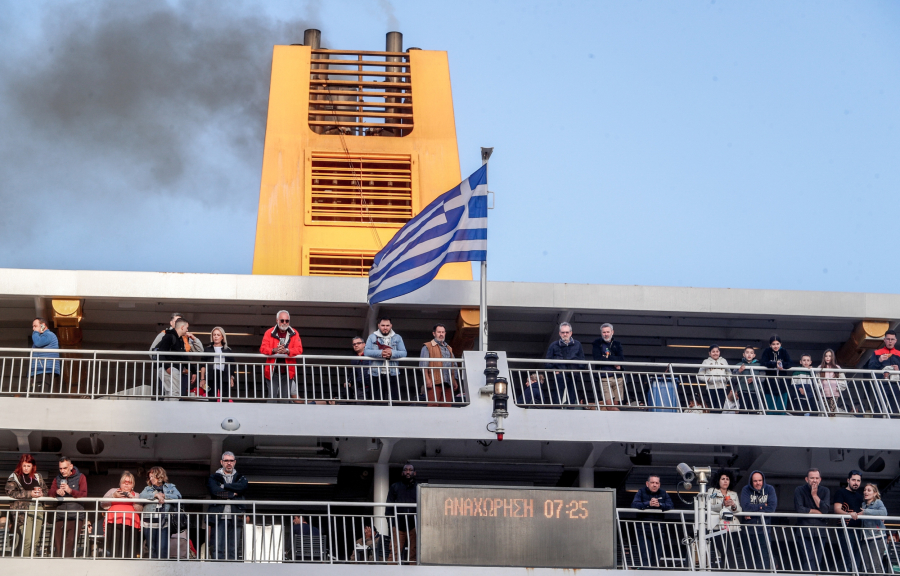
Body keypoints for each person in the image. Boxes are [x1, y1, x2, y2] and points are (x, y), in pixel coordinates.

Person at [5, 454, 48, 557]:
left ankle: (32, 564)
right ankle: (24, 563)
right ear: (21, 465)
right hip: (23, 511)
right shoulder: (14, 476)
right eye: (24, 465)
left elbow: (46, 490)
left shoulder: (38, 476)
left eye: (28, 466)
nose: (26, 468)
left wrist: (42, 493)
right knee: (27, 540)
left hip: (38, 509)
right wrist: (30, 494)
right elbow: (10, 492)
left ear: (32, 466)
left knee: (35, 540)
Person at [208, 451, 248, 560]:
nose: (229, 463)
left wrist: (224, 486)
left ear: (234, 462)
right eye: (226, 461)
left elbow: (242, 487)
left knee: (234, 547)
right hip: (219, 516)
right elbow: (215, 491)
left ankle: (233, 570)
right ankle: (217, 569)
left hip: (236, 515)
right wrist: (232, 493)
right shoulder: (214, 477)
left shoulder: (240, 477)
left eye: (231, 460)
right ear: (221, 462)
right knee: (217, 546)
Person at [630, 474, 674, 568]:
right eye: (652, 482)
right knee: (645, 557)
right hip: (643, 529)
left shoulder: (663, 493)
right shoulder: (641, 492)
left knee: (656, 558)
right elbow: (634, 504)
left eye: (657, 483)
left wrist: (660, 505)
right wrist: (648, 504)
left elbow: (671, 505)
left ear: (659, 484)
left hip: (659, 530)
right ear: (647, 483)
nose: (654, 485)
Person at [260, 310, 303, 403]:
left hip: (288, 371)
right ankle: (271, 417)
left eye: (287, 321)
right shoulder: (269, 332)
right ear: (277, 320)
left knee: (285, 399)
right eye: (282, 320)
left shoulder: (294, 333)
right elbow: (263, 348)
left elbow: (299, 349)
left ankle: (284, 417)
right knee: (272, 398)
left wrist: (287, 351)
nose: (284, 323)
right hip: (272, 371)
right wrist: (274, 350)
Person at [139, 466, 182, 559]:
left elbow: (178, 496)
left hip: (164, 522)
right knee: (151, 548)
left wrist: (164, 496)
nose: (151, 479)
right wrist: (155, 495)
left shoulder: (171, 487)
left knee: (163, 548)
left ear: (159, 476)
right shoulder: (148, 488)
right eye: (150, 477)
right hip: (149, 522)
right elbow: (141, 496)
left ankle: (162, 570)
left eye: (153, 476)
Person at [49, 456, 88, 557]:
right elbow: (50, 492)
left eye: (65, 468)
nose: (62, 471)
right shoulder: (57, 478)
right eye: (60, 468)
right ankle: (57, 567)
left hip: (76, 516)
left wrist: (70, 491)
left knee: (70, 542)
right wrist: (57, 492)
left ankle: (67, 566)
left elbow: (84, 494)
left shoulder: (81, 477)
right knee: (58, 544)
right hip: (60, 515)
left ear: (71, 466)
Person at [794, 468, 831, 572]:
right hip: (804, 531)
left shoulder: (825, 491)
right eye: (812, 478)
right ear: (806, 479)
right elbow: (799, 509)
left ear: (820, 479)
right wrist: (817, 512)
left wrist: (814, 495)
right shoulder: (799, 490)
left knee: (817, 560)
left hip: (820, 531)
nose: (814, 480)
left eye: (816, 478)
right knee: (808, 559)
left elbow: (825, 509)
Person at [739, 470, 777, 570]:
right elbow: (746, 507)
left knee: (764, 559)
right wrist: (762, 506)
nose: (758, 483)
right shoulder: (746, 489)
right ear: (751, 481)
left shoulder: (770, 489)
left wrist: (753, 510)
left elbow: (772, 508)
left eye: (760, 480)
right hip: (748, 531)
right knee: (748, 559)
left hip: (764, 530)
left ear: (763, 480)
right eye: (755, 481)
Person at [364, 317, 408, 403]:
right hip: (375, 373)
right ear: (378, 326)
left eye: (387, 325)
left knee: (394, 399)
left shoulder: (397, 337)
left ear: (391, 326)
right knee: (376, 400)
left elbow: (404, 353)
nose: (385, 328)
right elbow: (366, 352)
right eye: (383, 325)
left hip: (393, 373)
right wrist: (381, 353)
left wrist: (392, 353)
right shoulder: (372, 337)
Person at [101, 471, 143, 558]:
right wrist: (113, 496)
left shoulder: (136, 494)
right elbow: (102, 503)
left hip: (131, 523)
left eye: (129, 482)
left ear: (133, 485)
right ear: (120, 483)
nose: (126, 484)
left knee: (129, 549)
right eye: (124, 482)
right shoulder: (113, 491)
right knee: (114, 548)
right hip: (113, 522)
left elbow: (140, 510)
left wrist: (133, 499)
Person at [154, 318, 200, 398]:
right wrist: (168, 367)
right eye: (186, 328)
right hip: (170, 369)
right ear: (182, 327)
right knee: (174, 393)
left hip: (172, 369)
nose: (187, 330)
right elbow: (160, 353)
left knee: (171, 393)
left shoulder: (179, 339)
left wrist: (194, 370)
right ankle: (172, 410)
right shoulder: (169, 337)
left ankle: (169, 409)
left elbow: (183, 357)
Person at [707, 469, 741, 569]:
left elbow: (738, 509)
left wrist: (733, 505)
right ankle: (726, 570)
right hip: (718, 526)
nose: (725, 481)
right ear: (718, 480)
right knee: (724, 551)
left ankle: (728, 570)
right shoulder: (712, 491)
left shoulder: (733, 494)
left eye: (727, 479)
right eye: (723, 479)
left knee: (731, 552)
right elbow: (708, 506)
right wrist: (722, 504)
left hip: (732, 528)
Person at [545, 322, 586, 406]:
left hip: (573, 374)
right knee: (557, 398)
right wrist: (554, 370)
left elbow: (582, 360)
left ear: (571, 333)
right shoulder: (553, 345)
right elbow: (547, 362)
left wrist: (577, 370)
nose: (565, 334)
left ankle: (571, 413)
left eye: (567, 332)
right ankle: (557, 413)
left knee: (572, 397)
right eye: (563, 332)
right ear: (559, 333)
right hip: (559, 375)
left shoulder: (577, 344)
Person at [419, 324, 460, 406]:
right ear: (434, 333)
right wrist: (427, 380)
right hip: (434, 382)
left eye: (443, 332)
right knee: (433, 406)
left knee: (447, 407)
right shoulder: (427, 346)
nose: (441, 334)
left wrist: (454, 379)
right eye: (439, 332)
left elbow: (454, 365)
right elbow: (423, 365)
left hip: (448, 383)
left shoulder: (449, 348)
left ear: (445, 333)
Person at [834, 470, 865, 573]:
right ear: (848, 480)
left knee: (856, 557)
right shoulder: (841, 492)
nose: (856, 483)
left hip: (858, 529)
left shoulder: (860, 496)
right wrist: (849, 514)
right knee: (847, 555)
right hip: (845, 528)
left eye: (858, 480)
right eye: (853, 480)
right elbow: (837, 509)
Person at [386, 463, 418, 563]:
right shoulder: (395, 487)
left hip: (414, 526)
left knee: (414, 553)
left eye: (410, 470)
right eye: (406, 470)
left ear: (414, 473)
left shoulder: (419, 488)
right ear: (402, 473)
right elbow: (389, 506)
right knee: (394, 553)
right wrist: (392, 525)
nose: (408, 472)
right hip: (398, 525)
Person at [591, 323, 624, 410]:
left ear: (612, 332)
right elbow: (597, 358)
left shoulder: (617, 343)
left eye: (608, 332)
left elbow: (621, 359)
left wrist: (607, 357)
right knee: (609, 406)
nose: (606, 334)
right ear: (601, 333)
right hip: (604, 377)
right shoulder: (597, 343)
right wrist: (614, 362)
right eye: (604, 332)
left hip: (618, 377)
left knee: (616, 405)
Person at [866, 330, 900, 413]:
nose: (890, 341)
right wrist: (879, 360)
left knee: (895, 408)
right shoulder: (877, 353)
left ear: (896, 340)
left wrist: (898, 370)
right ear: (884, 340)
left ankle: (895, 425)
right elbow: (870, 367)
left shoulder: (899, 353)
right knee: (879, 407)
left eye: (892, 339)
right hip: (881, 383)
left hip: (895, 384)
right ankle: (877, 425)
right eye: (888, 339)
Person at [859, 483, 888, 574]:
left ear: (875, 493)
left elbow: (884, 513)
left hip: (877, 537)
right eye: (865, 490)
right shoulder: (863, 504)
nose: (865, 492)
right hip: (865, 537)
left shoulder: (878, 502)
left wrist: (866, 512)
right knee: (867, 566)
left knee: (876, 565)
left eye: (869, 490)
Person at [759, 335, 792, 414]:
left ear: (780, 344)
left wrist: (781, 364)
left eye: (777, 344)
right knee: (770, 409)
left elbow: (790, 363)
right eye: (773, 344)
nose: (775, 346)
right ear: (770, 345)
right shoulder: (767, 351)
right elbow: (763, 363)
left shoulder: (784, 351)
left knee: (781, 409)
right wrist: (774, 364)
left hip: (782, 385)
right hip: (770, 385)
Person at [201, 327, 236, 402]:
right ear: (212, 336)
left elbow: (232, 366)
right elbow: (202, 365)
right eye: (214, 335)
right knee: (211, 397)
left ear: (222, 337)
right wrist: (202, 379)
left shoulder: (228, 350)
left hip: (224, 376)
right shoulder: (207, 349)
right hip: (210, 376)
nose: (216, 336)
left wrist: (232, 377)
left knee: (225, 398)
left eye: (218, 335)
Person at [30, 317, 60, 393]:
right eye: (33, 327)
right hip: (40, 369)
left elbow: (38, 343)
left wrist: (35, 332)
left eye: (35, 326)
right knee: (36, 392)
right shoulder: (44, 336)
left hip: (45, 369)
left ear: (43, 325)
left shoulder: (48, 334)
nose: (33, 329)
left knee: (41, 394)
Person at [698, 345, 730, 410]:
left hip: (722, 387)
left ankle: (718, 420)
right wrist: (708, 379)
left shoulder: (724, 361)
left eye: (717, 351)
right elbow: (700, 375)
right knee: (712, 407)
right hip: (711, 388)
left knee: (720, 407)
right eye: (713, 352)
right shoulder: (706, 361)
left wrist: (726, 378)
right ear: (709, 353)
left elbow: (729, 373)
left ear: (719, 352)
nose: (715, 353)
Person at [732, 346, 762, 412]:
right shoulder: (738, 365)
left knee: (754, 412)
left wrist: (754, 379)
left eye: (751, 353)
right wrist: (739, 371)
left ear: (754, 355)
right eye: (747, 352)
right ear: (744, 354)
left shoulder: (759, 365)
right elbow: (733, 379)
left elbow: (763, 378)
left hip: (755, 391)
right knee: (743, 411)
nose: (749, 354)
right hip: (743, 391)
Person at [818, 349, 848, 414]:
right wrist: (820, 387)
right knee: (825, 412)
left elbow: (843, 380)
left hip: (834, 394)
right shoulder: (820, 368)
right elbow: (817, 380)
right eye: (826, 356)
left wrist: (838, 388)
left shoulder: (837, 367)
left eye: (830, 356)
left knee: (832, 413)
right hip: (823, 394)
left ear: (833, 357)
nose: (828, 358)